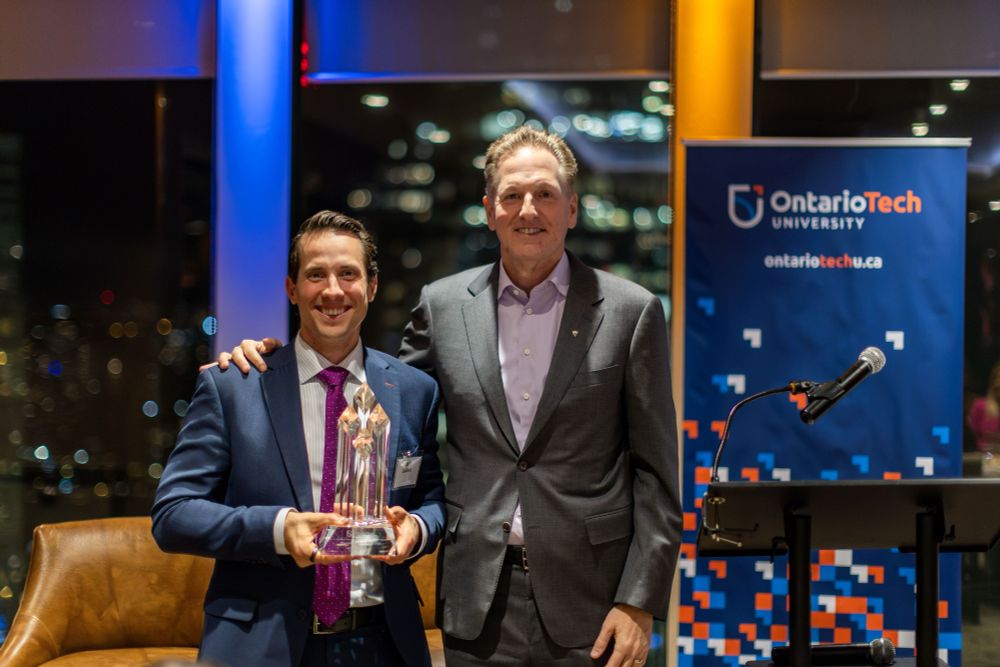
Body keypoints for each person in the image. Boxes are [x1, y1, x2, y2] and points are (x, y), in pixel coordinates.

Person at [219, 126, 681, 667]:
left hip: (596, 602)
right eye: (512, 195)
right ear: (490, 210)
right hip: (476, 600)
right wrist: (268, 362)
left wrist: (639, 601)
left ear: (572, 209)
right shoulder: (441, 307)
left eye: (545, 194)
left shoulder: (631, 311)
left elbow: (656, 473)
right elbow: (381, 395)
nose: (528, 208)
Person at [152, 211, 445, 667]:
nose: (332, 290)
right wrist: (278, 529)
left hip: (383, 644)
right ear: (292, 289)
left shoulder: (413, 390)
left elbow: (432, 498)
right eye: (315, 275)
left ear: (371, 287)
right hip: (261, 646)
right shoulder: (235, 386)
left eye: (348, 273)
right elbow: (173, 515)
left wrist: (418, 528)